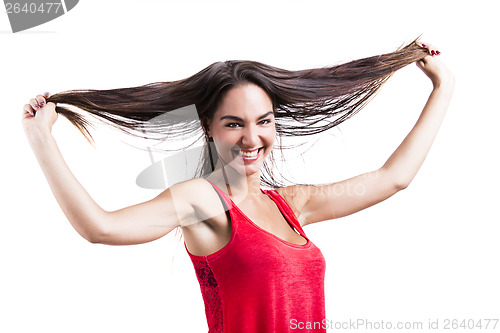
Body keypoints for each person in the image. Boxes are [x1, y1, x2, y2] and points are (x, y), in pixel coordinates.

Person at [22, 40, 454, 332]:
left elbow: (392, 178)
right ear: (209, 127)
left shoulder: (291, 204)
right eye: (234, 124)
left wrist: (443, 87)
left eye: (263, 122)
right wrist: (41, 140)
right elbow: (101, 228)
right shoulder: (201, 201)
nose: (252, 139)